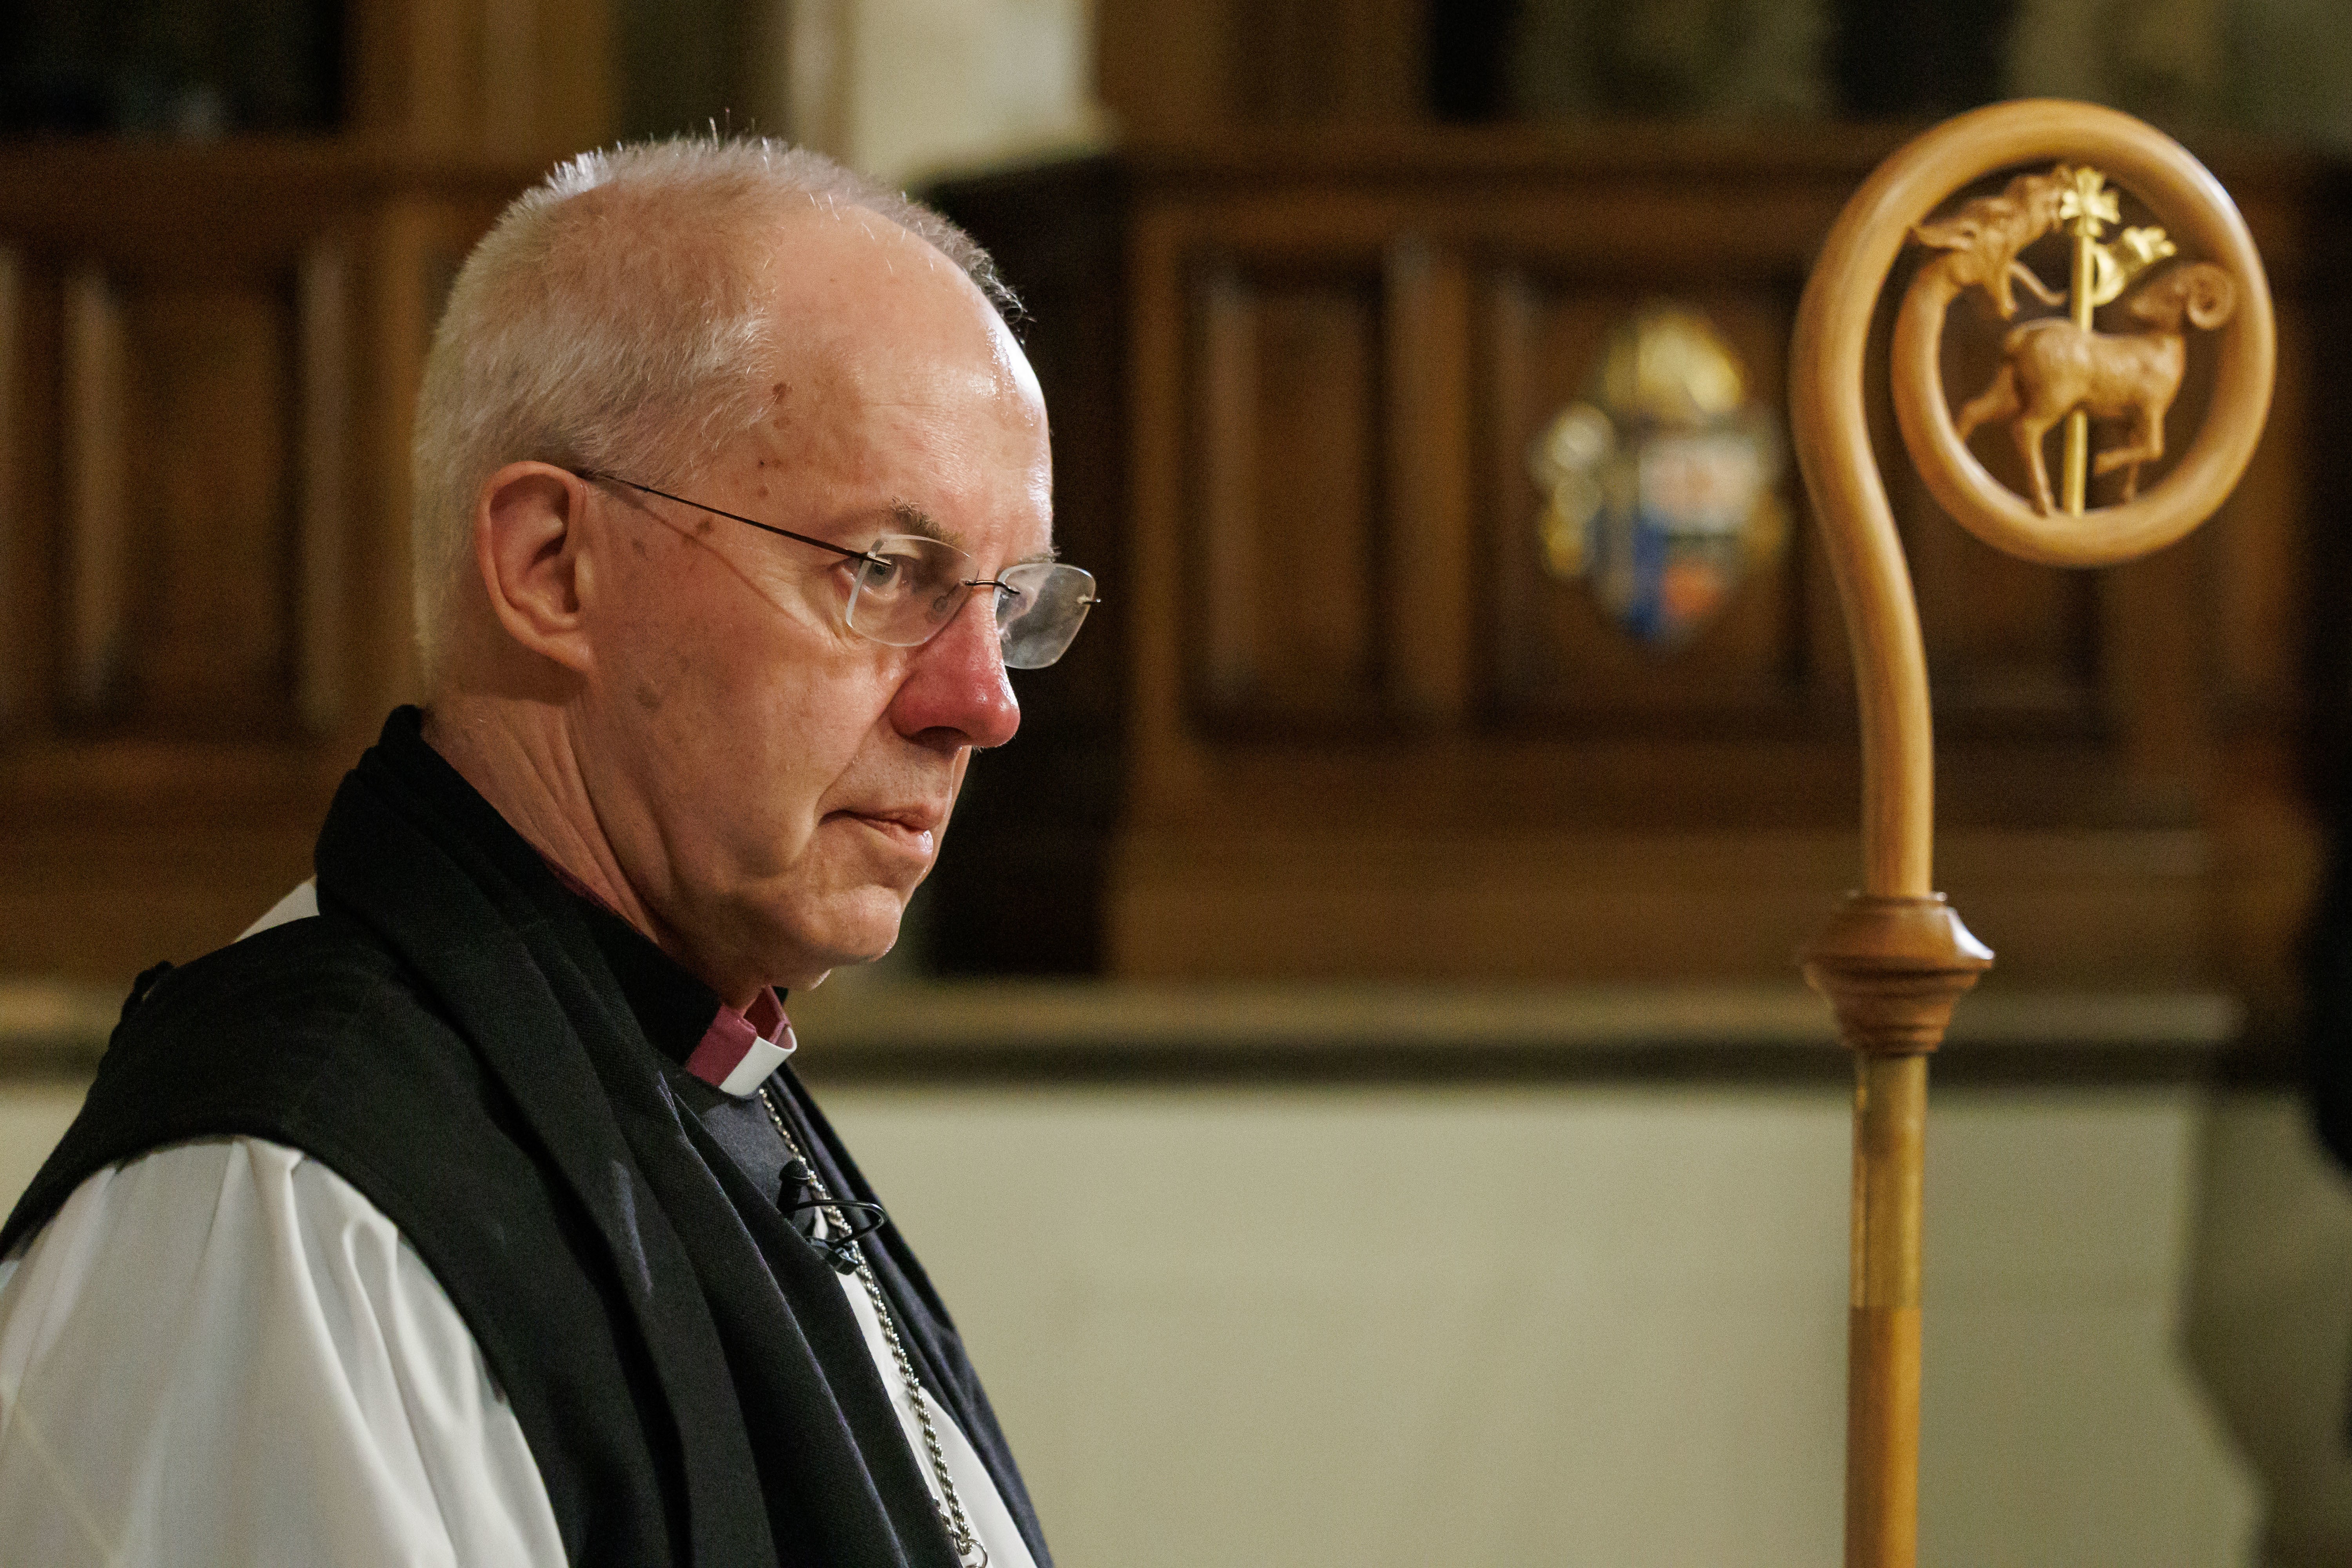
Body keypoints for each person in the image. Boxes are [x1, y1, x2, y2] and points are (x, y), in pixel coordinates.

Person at [0, 137, 1092, 1567]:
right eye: (882, 571)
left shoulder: (705, 1076)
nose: (985, 705)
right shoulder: (294, 1212)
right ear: (549, 567)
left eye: (1007, 607)